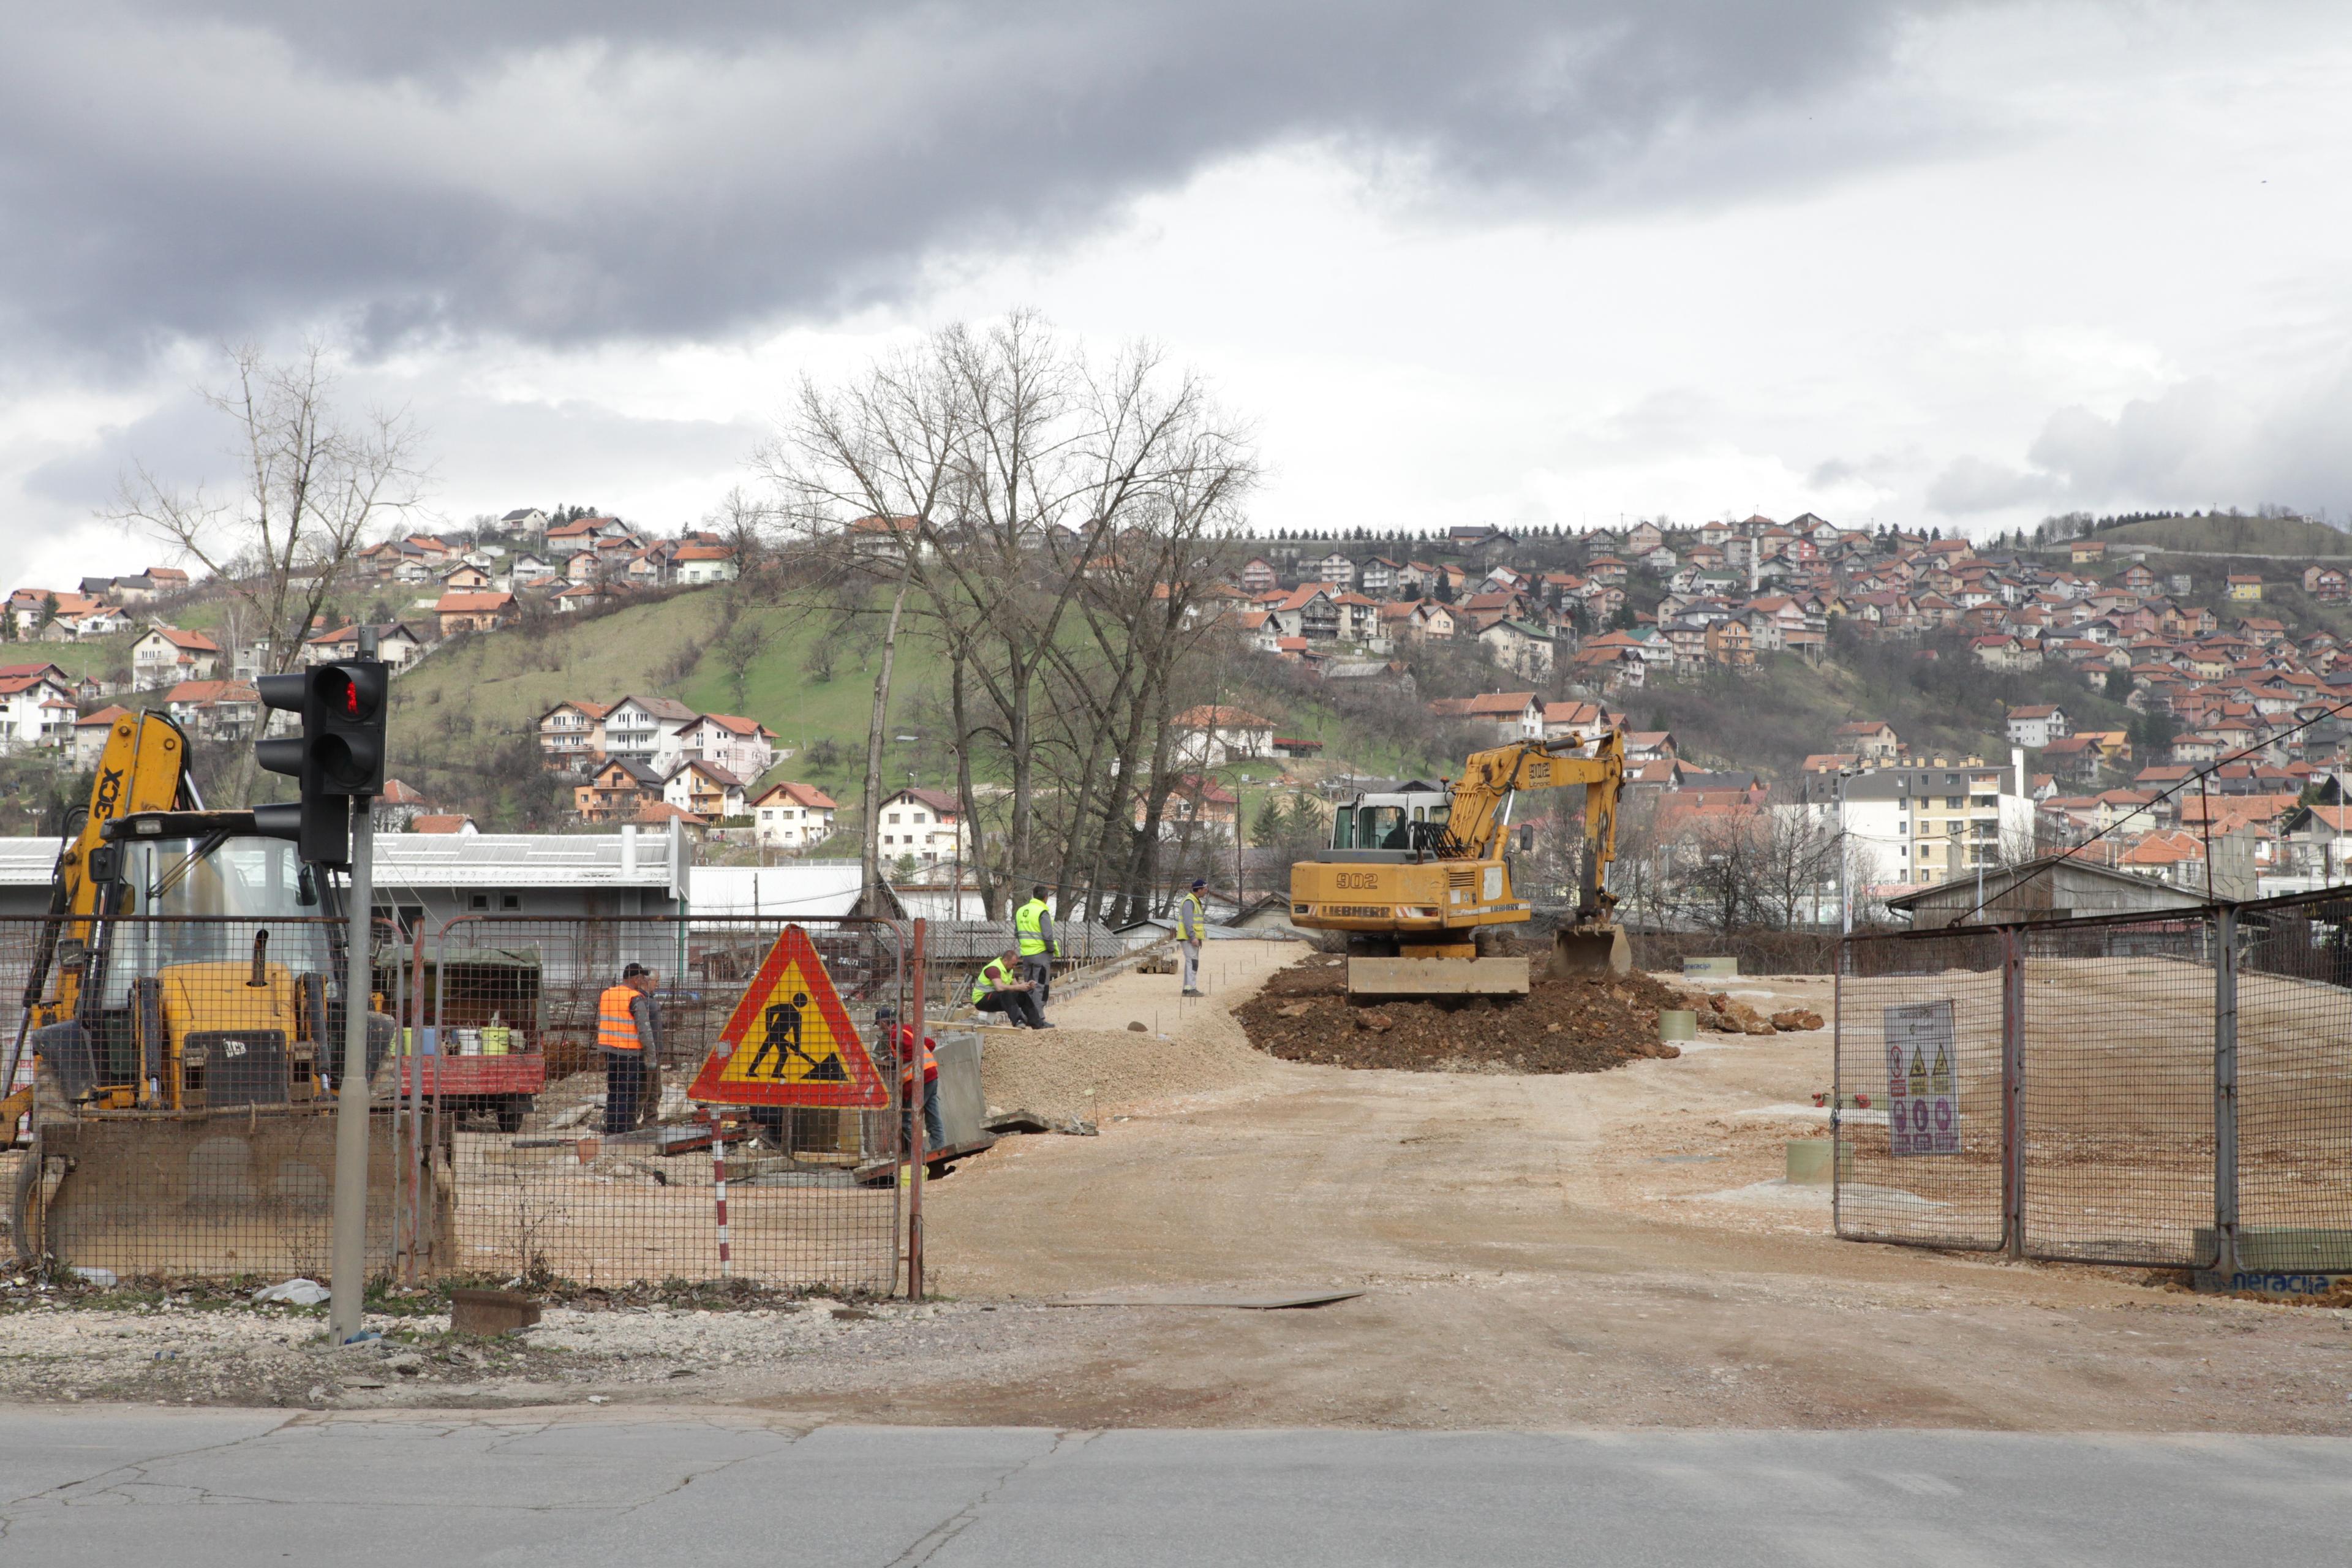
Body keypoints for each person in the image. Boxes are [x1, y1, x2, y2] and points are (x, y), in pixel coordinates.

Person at [595, 963, 660, 1136]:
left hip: (610, 1051)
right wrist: (652, 1057)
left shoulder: (607, 994)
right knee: (630, 1093)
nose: (643, 981)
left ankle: (611, 1128)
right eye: (641, 978)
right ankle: (625, 1131)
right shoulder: (635, 997)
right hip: (630, 1053)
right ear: (636, 978)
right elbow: (644, 1029)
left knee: (615, 1091)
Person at [875, 1005, 945, 1155]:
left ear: (883, 1022)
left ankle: (921, 1155)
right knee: (933, 1117)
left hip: (919, 1080)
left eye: (879, 1025)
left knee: (906, 1121)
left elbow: (914, 1051)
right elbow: (930, 1044)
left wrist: (896, 1060)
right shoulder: (907, 1029)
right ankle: (939, 1150)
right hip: (931, 1075)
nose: (880, 1029)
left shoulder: (895, 1034)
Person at [970, 946, 1049, 1028]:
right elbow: (999, 988)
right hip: (981, 1000)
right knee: (1005, 993)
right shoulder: (993, 968)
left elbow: (1016, 986)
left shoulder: (1009, 969)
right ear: (1005, 961)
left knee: (1022, 995)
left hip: (997, 999)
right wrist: (1018, 987)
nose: (1014, 967)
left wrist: (1026, 986)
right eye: (1013, 964)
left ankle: (1037, 1023)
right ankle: (1018, 1021)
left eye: (1015, 964)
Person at [1014, 883, 1058, 1013]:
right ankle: (1038, 1019)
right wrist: (1051, 950)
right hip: (1041, 954)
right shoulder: (1042, 912)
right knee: (1041, 987)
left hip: (1026, 955)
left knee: (1029, 986)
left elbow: (1017, 933)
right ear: (1046, 898)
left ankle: (1028, 1015)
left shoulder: (1021, 911)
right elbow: (1048, 936)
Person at [1178, 876, 1208, 996]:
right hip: (1188, 938)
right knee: (1193, 963)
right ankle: (1191, 989)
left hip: (1191, 938)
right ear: (1198, 890)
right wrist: (1193, 937)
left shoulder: (1194, 901)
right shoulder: (1189, 902)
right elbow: (1188, 922)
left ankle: (1187, 988)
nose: (1206, 891)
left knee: (1190, 962)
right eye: (1205, 889)